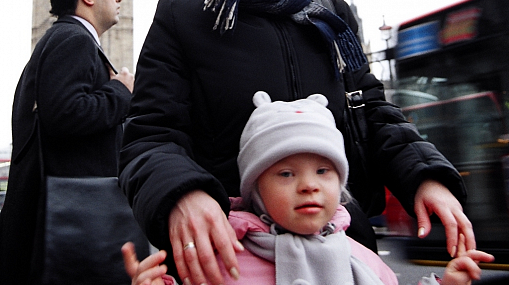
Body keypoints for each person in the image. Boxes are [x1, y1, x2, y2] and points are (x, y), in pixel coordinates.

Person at [119, 0, 475, 285]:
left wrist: (426, 176)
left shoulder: (333, 17)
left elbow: (373, 116)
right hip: (226, 259)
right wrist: (184, 194)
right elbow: (150, 136)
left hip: (339, 256)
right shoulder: (182, 15)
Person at [122, 92, 494, 285]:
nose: (308, 186)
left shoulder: (364, 260)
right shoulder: (223, 260)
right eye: (286, 174)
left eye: (323, 171)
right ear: (256, 189)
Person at [0, 0, 134, 284]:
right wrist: (121, 92)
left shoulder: (64, 39)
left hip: (57, 218)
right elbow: (65, 114)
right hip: (67, 222)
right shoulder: (72, 40)